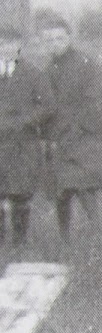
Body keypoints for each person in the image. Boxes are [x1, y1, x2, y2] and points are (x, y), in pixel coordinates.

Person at [39, 13, 102, 243]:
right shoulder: (49, 68)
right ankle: (66, 239)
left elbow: (96, 100)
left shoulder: (85, 64)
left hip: (82, 135)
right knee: (61, 190)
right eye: (49, 40)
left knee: (84, 187)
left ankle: (99, 235)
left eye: (59, 38)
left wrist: (78, 126)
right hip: (59, 138)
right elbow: (46, 105)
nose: (55, 44)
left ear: (70, 38)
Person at [0, 28, 53, 245]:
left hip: (22, 143)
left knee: (20, 193)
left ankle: (19, 242)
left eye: (12, 44)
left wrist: (25, 121)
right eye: (2, 44)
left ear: (20, 46)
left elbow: (47, 106)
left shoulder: (33, 74)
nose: (6, 49)